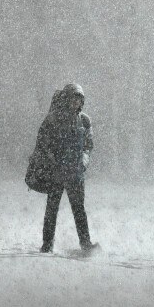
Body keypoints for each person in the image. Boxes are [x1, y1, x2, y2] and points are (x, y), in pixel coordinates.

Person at [35, 82, 97, 253]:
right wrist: (53, 162)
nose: (76, 103)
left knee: (79, 210)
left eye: (79, 99)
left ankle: (85, 243)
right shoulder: (53, 119)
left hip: (76, 173)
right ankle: (47, 244)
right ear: (66, 99)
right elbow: (43, 143)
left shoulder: (84, 120)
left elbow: (88, 146)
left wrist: (83, 162)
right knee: (52, 209)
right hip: (56, 173)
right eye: (73, 99)